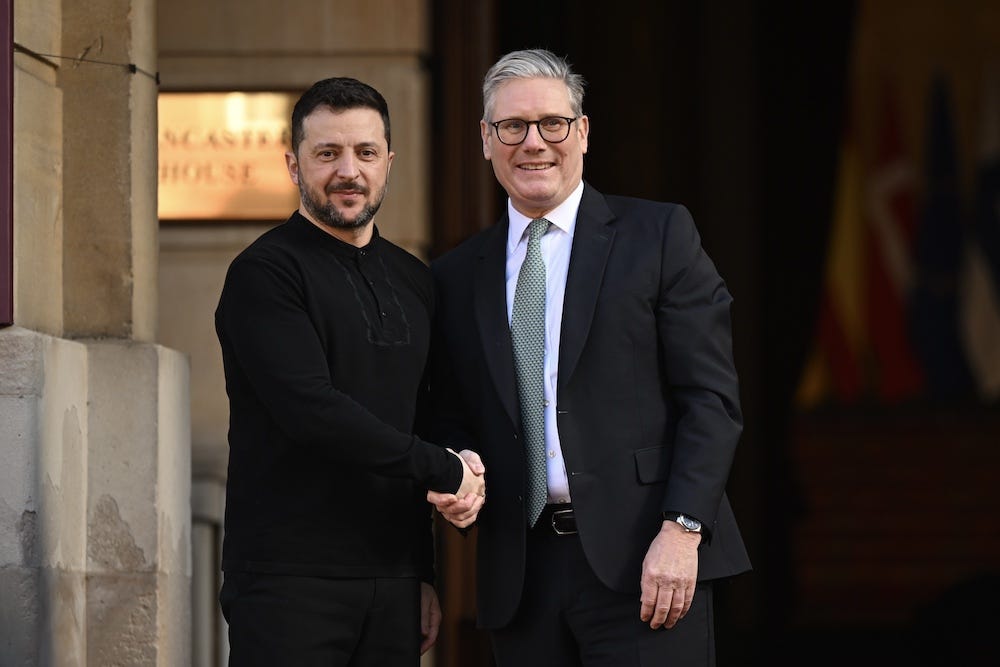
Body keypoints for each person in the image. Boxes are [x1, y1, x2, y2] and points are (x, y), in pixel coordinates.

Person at [426, 49, 751, 666]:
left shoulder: (659, 237)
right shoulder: (454, 276)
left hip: (648, 564)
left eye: (552, 123)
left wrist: (683, 532)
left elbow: (710, 401)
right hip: (520, 577)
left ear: (583, 132)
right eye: (512, 128)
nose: (534, 143)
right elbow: (447, 413)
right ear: (485, 141)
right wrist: (456, 464)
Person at [214, 76, 485, 666]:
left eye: (365, 153)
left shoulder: (415, 279)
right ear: (293, 165)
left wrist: (423, 572)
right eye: (327, 153)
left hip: (392, 583)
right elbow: (313, 410)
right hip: (288, 580)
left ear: (389, 161)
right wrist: (444, 469)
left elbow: (424, 415)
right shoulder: (264, 274)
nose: (348, 171)